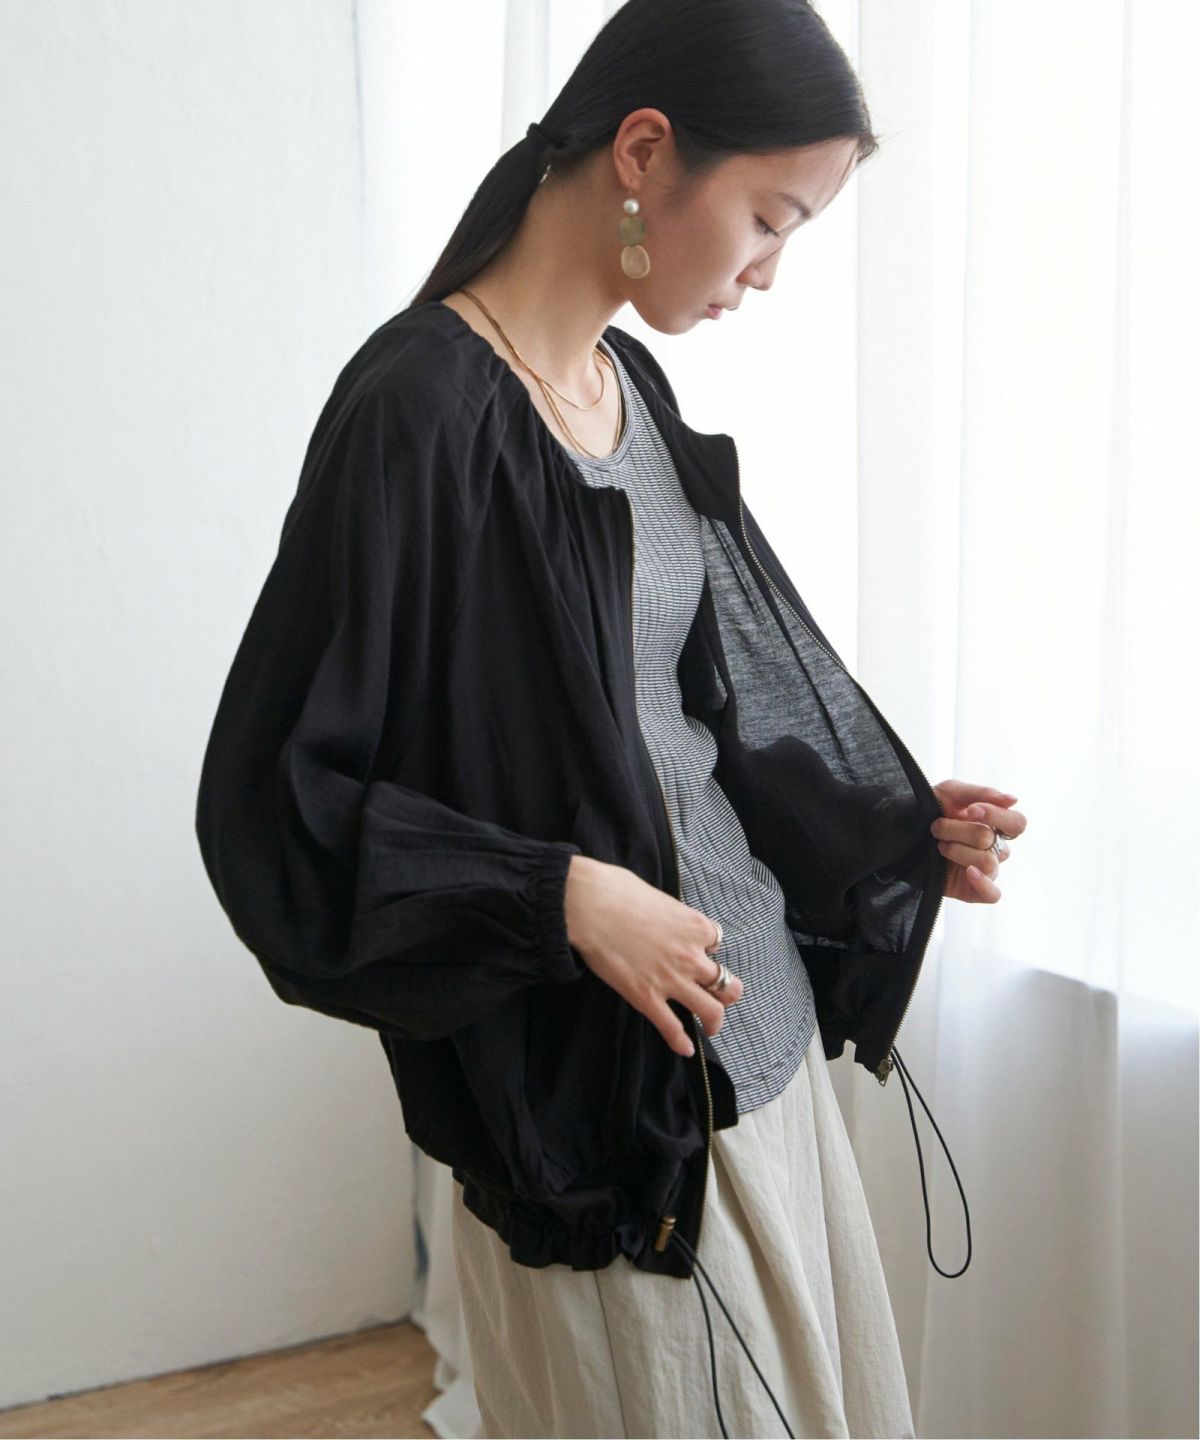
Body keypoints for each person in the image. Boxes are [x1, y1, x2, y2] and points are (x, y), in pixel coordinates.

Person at [195, 0, 1028, 1435]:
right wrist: (561, 897)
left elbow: (694, 723)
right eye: (767, 220)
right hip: (607, 1119)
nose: (768, 274)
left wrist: (895, 828)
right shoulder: (418, 412)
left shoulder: (631, 388)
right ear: (645, 152)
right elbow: (279, 809)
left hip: (762, 1057)